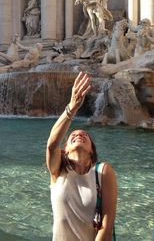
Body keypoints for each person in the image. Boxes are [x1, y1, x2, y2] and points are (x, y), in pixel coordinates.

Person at [46, 72, 117, 241]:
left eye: (85, 135)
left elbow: (106, 227)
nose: (78, 134)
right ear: (66, 150)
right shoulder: (57, 172)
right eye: (73, 135)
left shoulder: (103, 172)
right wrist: (72, 107)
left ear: (92, 150)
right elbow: (52, 144)